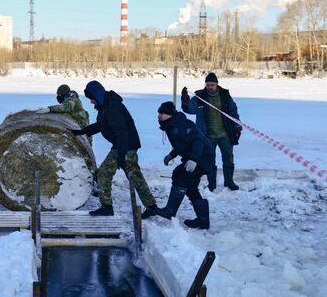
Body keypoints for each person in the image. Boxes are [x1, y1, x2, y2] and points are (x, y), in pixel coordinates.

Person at [70, 80, 158, 218]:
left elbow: (122, 131)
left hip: (124, 147)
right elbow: (100, 125)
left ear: (97, 95)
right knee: (135, 176)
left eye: (92, 98)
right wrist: (82, 132)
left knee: (103, 173)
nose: (91, 102)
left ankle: (106, 207)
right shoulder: (107, 106)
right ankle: (152, 206)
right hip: (126, 146)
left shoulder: (113, 108)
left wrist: (121, 154)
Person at [157, 101, 215, 229]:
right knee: (190, 185)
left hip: (203, 157)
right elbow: (182, 144)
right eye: (159, 113)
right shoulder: (172, 125)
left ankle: (170, 211)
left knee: (180, 174)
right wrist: (172, 155)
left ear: (170, 115)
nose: (159, 116)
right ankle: (203, 220)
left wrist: (194, 160)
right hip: (197, 156)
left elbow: (198, 141)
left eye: (162, 113)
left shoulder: (182, 125)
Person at [181, 72, 242, 191]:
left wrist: (237, 127)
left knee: (228, 158)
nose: (210, 87)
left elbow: (233, 111)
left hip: (225, 133)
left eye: (212, 85)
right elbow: (189, 109)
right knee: (210, 160)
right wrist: (185, 100)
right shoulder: (199, 96)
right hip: (207, 135)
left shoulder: (225, 95)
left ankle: (229, 182)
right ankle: (211, 184)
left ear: (217, 84)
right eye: (208, 85)